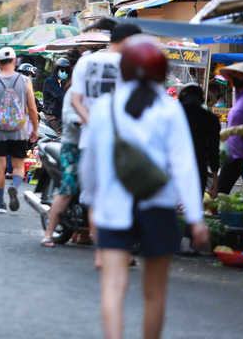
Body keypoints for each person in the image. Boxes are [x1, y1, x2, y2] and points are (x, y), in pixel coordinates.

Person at [79, 36, 208, 339]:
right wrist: (195, 217)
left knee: (113, 286)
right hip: (158, 207)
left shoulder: (105, 107)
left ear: (123, 71)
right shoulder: (169, 109)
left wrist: (92, 202)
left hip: (112, 207)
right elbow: (184, 166)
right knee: (155, 292)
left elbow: (91, 163)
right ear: (162, 73)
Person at [70, 22, 141, 268]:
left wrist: (93, 123)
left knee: (96, 197)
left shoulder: (86, 62)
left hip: (91, 140)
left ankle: (101, 253)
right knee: (123, 196)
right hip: (122, 141)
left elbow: (76, 100)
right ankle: (120, 251)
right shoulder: (131, 65)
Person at [0, 47, 40, 214]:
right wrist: (34, 128)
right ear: (15, 61)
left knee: (0, 168)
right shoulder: (25, 81)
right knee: (18, 166)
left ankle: (1, 204)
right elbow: (32, 108)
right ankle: (14, 186)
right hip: (19, 131)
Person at [42, 83, 85, 246]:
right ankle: (48, 233)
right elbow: (67, 114)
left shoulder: (104, 92)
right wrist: (80, 120)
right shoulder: (74, 91)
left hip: (96, 146)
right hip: (73, 145)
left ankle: (84, 233)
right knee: (69, 188)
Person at [217, 62, 243, 194]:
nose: (236, 77)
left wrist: (232, 131)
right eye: (235, 74)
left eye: (240, 75)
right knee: (220, 193)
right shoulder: (239, 98)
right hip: (231, 154)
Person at [178, 83, 220, 195]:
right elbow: (213, 151)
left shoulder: (172, 116)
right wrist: (215, 179)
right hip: (198, 166)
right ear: (201, 100)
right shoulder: (211, 119)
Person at [42, 58, 71, 136]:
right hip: (53, 116)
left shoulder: (62, 82)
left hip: (61, 115)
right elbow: (61, 96)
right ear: (56, 70)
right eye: (62, 70)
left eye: (66, 71)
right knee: (65, 137)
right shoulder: (50, 81)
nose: (64, 73)